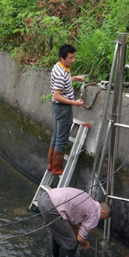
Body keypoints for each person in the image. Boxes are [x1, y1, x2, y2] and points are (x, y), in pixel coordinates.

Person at [38, 188, 112, 257]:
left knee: (61, 234)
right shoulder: (95, 213)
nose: (100, 219)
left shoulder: (88, 199)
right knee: (70, 241)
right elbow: (80, 238)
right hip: (52, 207)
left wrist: (78, 234)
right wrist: (85, 243)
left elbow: (69, 224)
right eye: (103, 218)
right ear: (103, 212)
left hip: (44, 197)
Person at [47, 45, 85, 176]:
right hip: (63, 109)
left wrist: (74, 78)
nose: (73, 60)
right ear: (62, 58)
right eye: (70, 58)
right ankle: (56, 169)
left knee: (56, 136)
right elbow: (57, 95)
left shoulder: (60, 67)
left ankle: (51, 164)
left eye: (74, 57)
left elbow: (63, 82)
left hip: (58, 108)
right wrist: (74, 103)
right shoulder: (61, 73)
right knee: (62, 139)